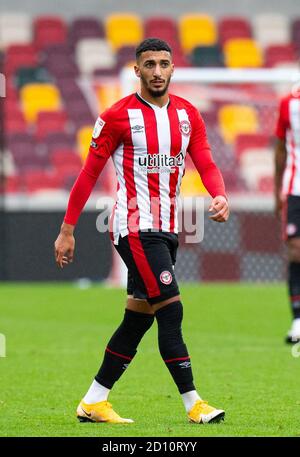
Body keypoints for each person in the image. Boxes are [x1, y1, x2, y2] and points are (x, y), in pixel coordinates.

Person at [54, 38, 229, 424]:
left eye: (163, 64)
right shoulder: (117, 116)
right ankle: (193, 404)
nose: (156, 71)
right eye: (148, 64)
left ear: (172, 68)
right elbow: (88, 174)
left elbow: (205, 160)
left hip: (167, 229)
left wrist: (218, 194)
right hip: (134, 229)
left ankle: (94, 401)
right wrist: (67, 230)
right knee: (172, 309)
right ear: (137, 70)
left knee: (138, 318)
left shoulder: (188, 115)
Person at [275, 87, 300, 344]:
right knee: (295, 250)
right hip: (295, 188)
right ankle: (297, 320)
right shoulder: (289, 103)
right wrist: (275, 190)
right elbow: (280, 148)